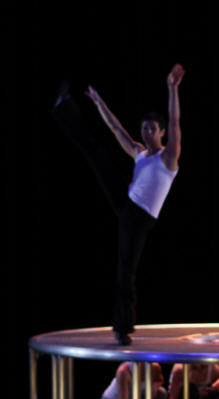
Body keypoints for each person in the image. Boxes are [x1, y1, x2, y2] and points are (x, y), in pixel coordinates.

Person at [51, 64, 185, 345]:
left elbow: (175, 122)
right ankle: (64, 109)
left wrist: (172, 88)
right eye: (144, 128)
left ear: (161, 132)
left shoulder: (168, 157)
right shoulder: (139, 152)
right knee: (96, 152)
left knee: (126, 269)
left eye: (152, 129)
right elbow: (115, 128)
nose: (146, 132)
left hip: (140, 217)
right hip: (126, 202)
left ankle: (123, 328)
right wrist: (98, 102)